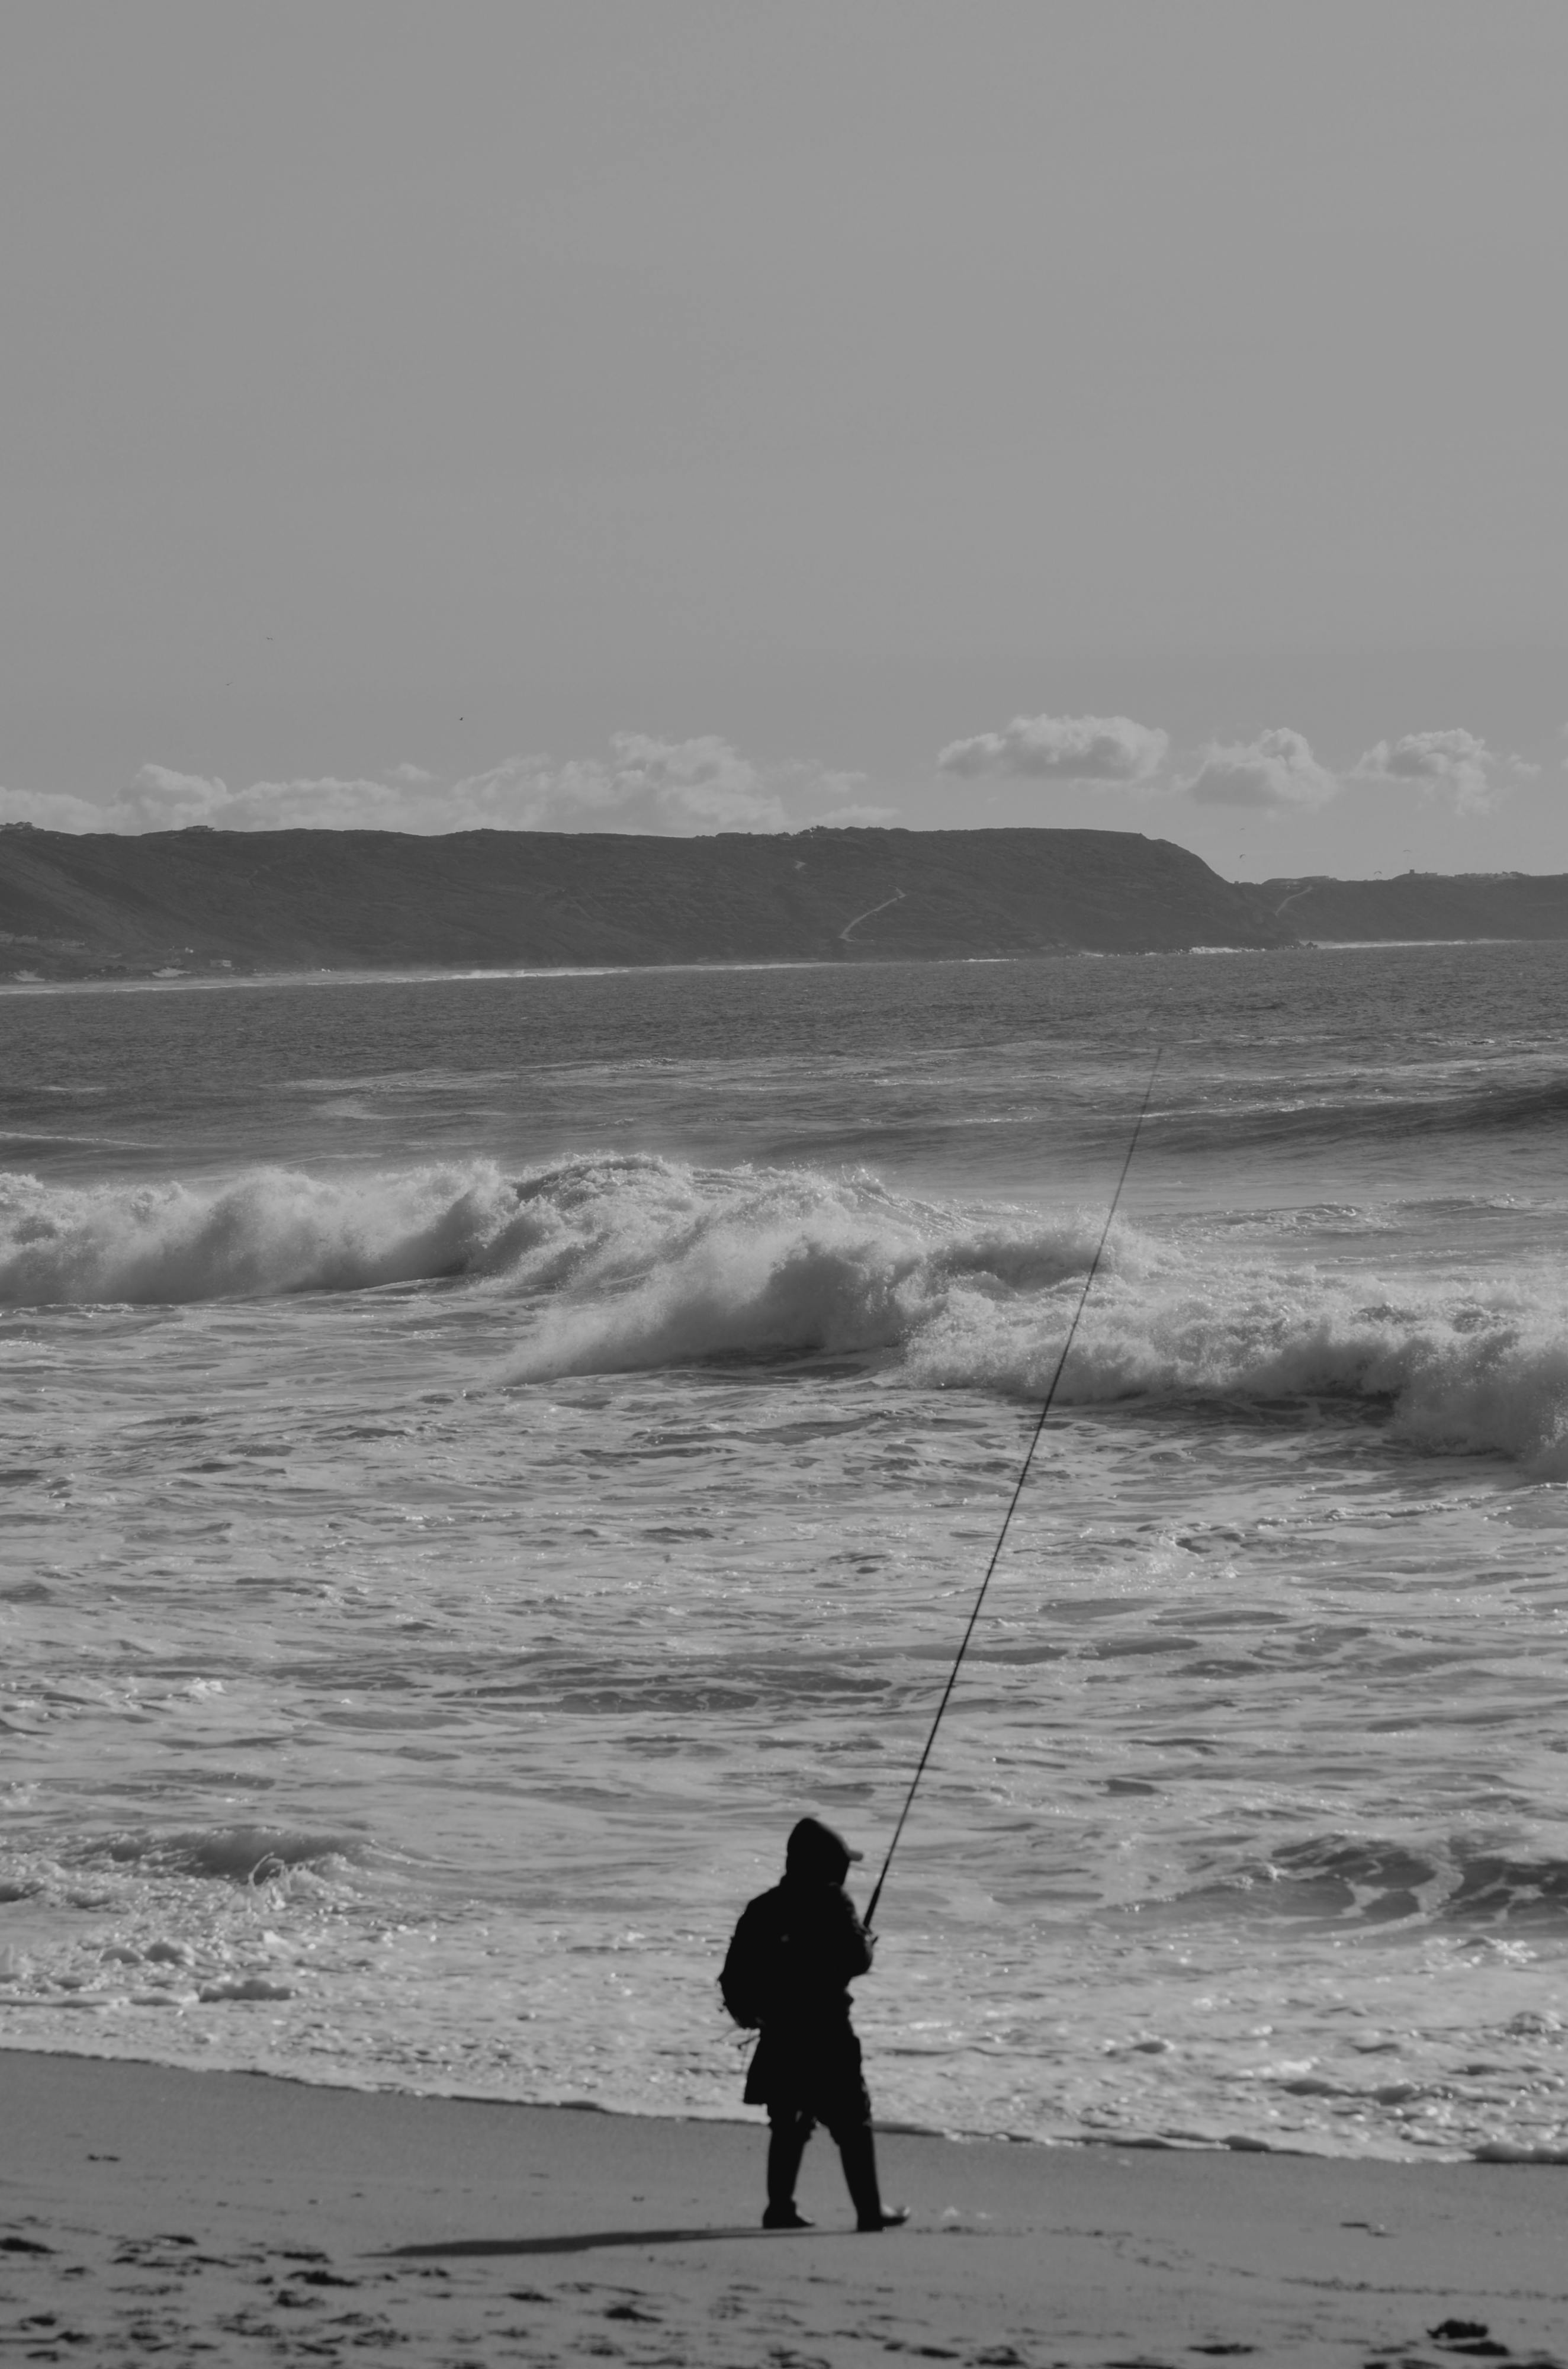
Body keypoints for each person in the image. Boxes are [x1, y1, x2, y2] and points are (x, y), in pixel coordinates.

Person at [721, 1815, 908, 2233]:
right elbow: (857, 1960)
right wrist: (865, 1941)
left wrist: (758, 2014)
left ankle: (780, 2208)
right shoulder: (833, 1902)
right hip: (828, 2035)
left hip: (780, 2034)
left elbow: (732, 1977)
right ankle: (869, 2211)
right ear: (830, 1866)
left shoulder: (761, 1908)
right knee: (853, 2121)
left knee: (789, 2121)